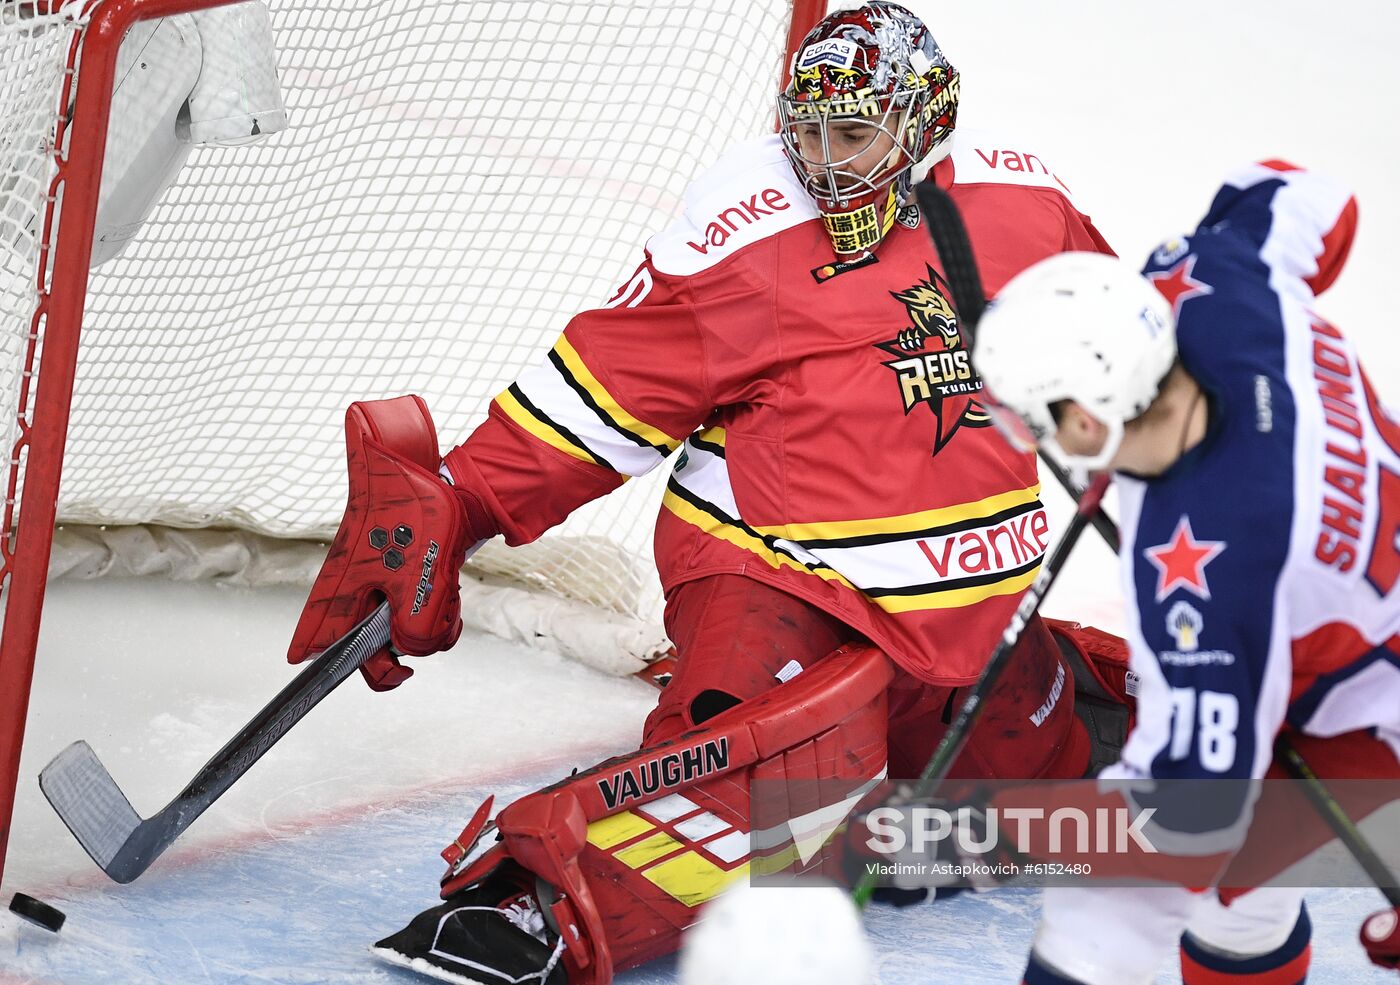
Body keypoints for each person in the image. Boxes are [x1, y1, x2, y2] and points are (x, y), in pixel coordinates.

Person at [287, 5, 1132, 983]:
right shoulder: (750, 230)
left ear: (924, 119)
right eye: (805, 132)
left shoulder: (1020, 201)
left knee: (1022, 791)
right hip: (781, 580)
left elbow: (1116, 351)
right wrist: (461, 504)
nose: (823, 163)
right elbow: (603, 394)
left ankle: (1120, 709)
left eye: (852, 134)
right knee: (761, 786)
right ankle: (535, 902)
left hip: (962, 612)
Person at [971, 160, 1400, 983]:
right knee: (1236, 901)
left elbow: (1191, 802)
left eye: (1037, 422)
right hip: (1340, 601)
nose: (1034, 439)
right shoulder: (1218, 279)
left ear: (1092, 416)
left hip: (1365, 713)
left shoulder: (1207, 576)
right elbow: (1299, 191)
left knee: (1110, 914)